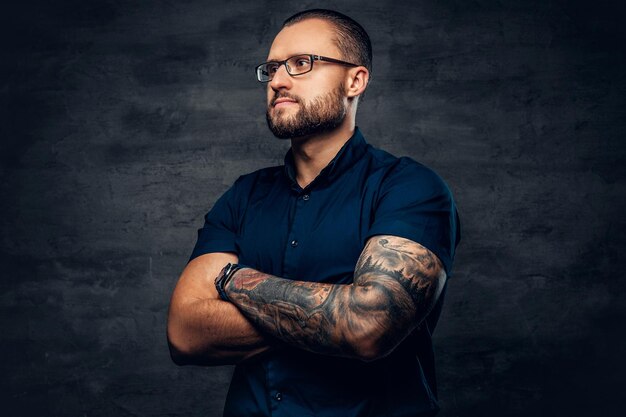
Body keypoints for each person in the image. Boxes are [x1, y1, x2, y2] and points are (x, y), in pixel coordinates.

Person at [167, 8, 461, 417]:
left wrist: (234, 281)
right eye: (271, 69)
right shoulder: (244, 195)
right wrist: (328, 309)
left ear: (355, 80)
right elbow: (185, 333)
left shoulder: (409, 187)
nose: (278, 81)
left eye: (301, 63)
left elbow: (368, 327)